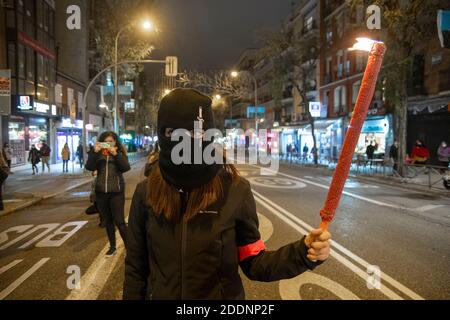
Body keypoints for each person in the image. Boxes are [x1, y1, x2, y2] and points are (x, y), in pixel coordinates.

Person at [123, 88, 331, 300]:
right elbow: (135, 269)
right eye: (172, 133)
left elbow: (255, 263)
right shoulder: (145, 193)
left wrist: (303, 252)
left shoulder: (234, 190)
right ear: (161, 134)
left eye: (195, 133)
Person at [86, 131, 131, 257]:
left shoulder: (119, 153)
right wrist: (94, 152)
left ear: (115, 142)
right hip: (101, 192)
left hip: (116, 191)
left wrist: (115, 154)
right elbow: (89, 167)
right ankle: (112, 247)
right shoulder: (98, 154)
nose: (108, 144)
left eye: (111, 141)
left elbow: (126, 168)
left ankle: (131, 248)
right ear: (101, 142)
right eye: (106, 141)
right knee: (108, 221)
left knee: (120, 222)